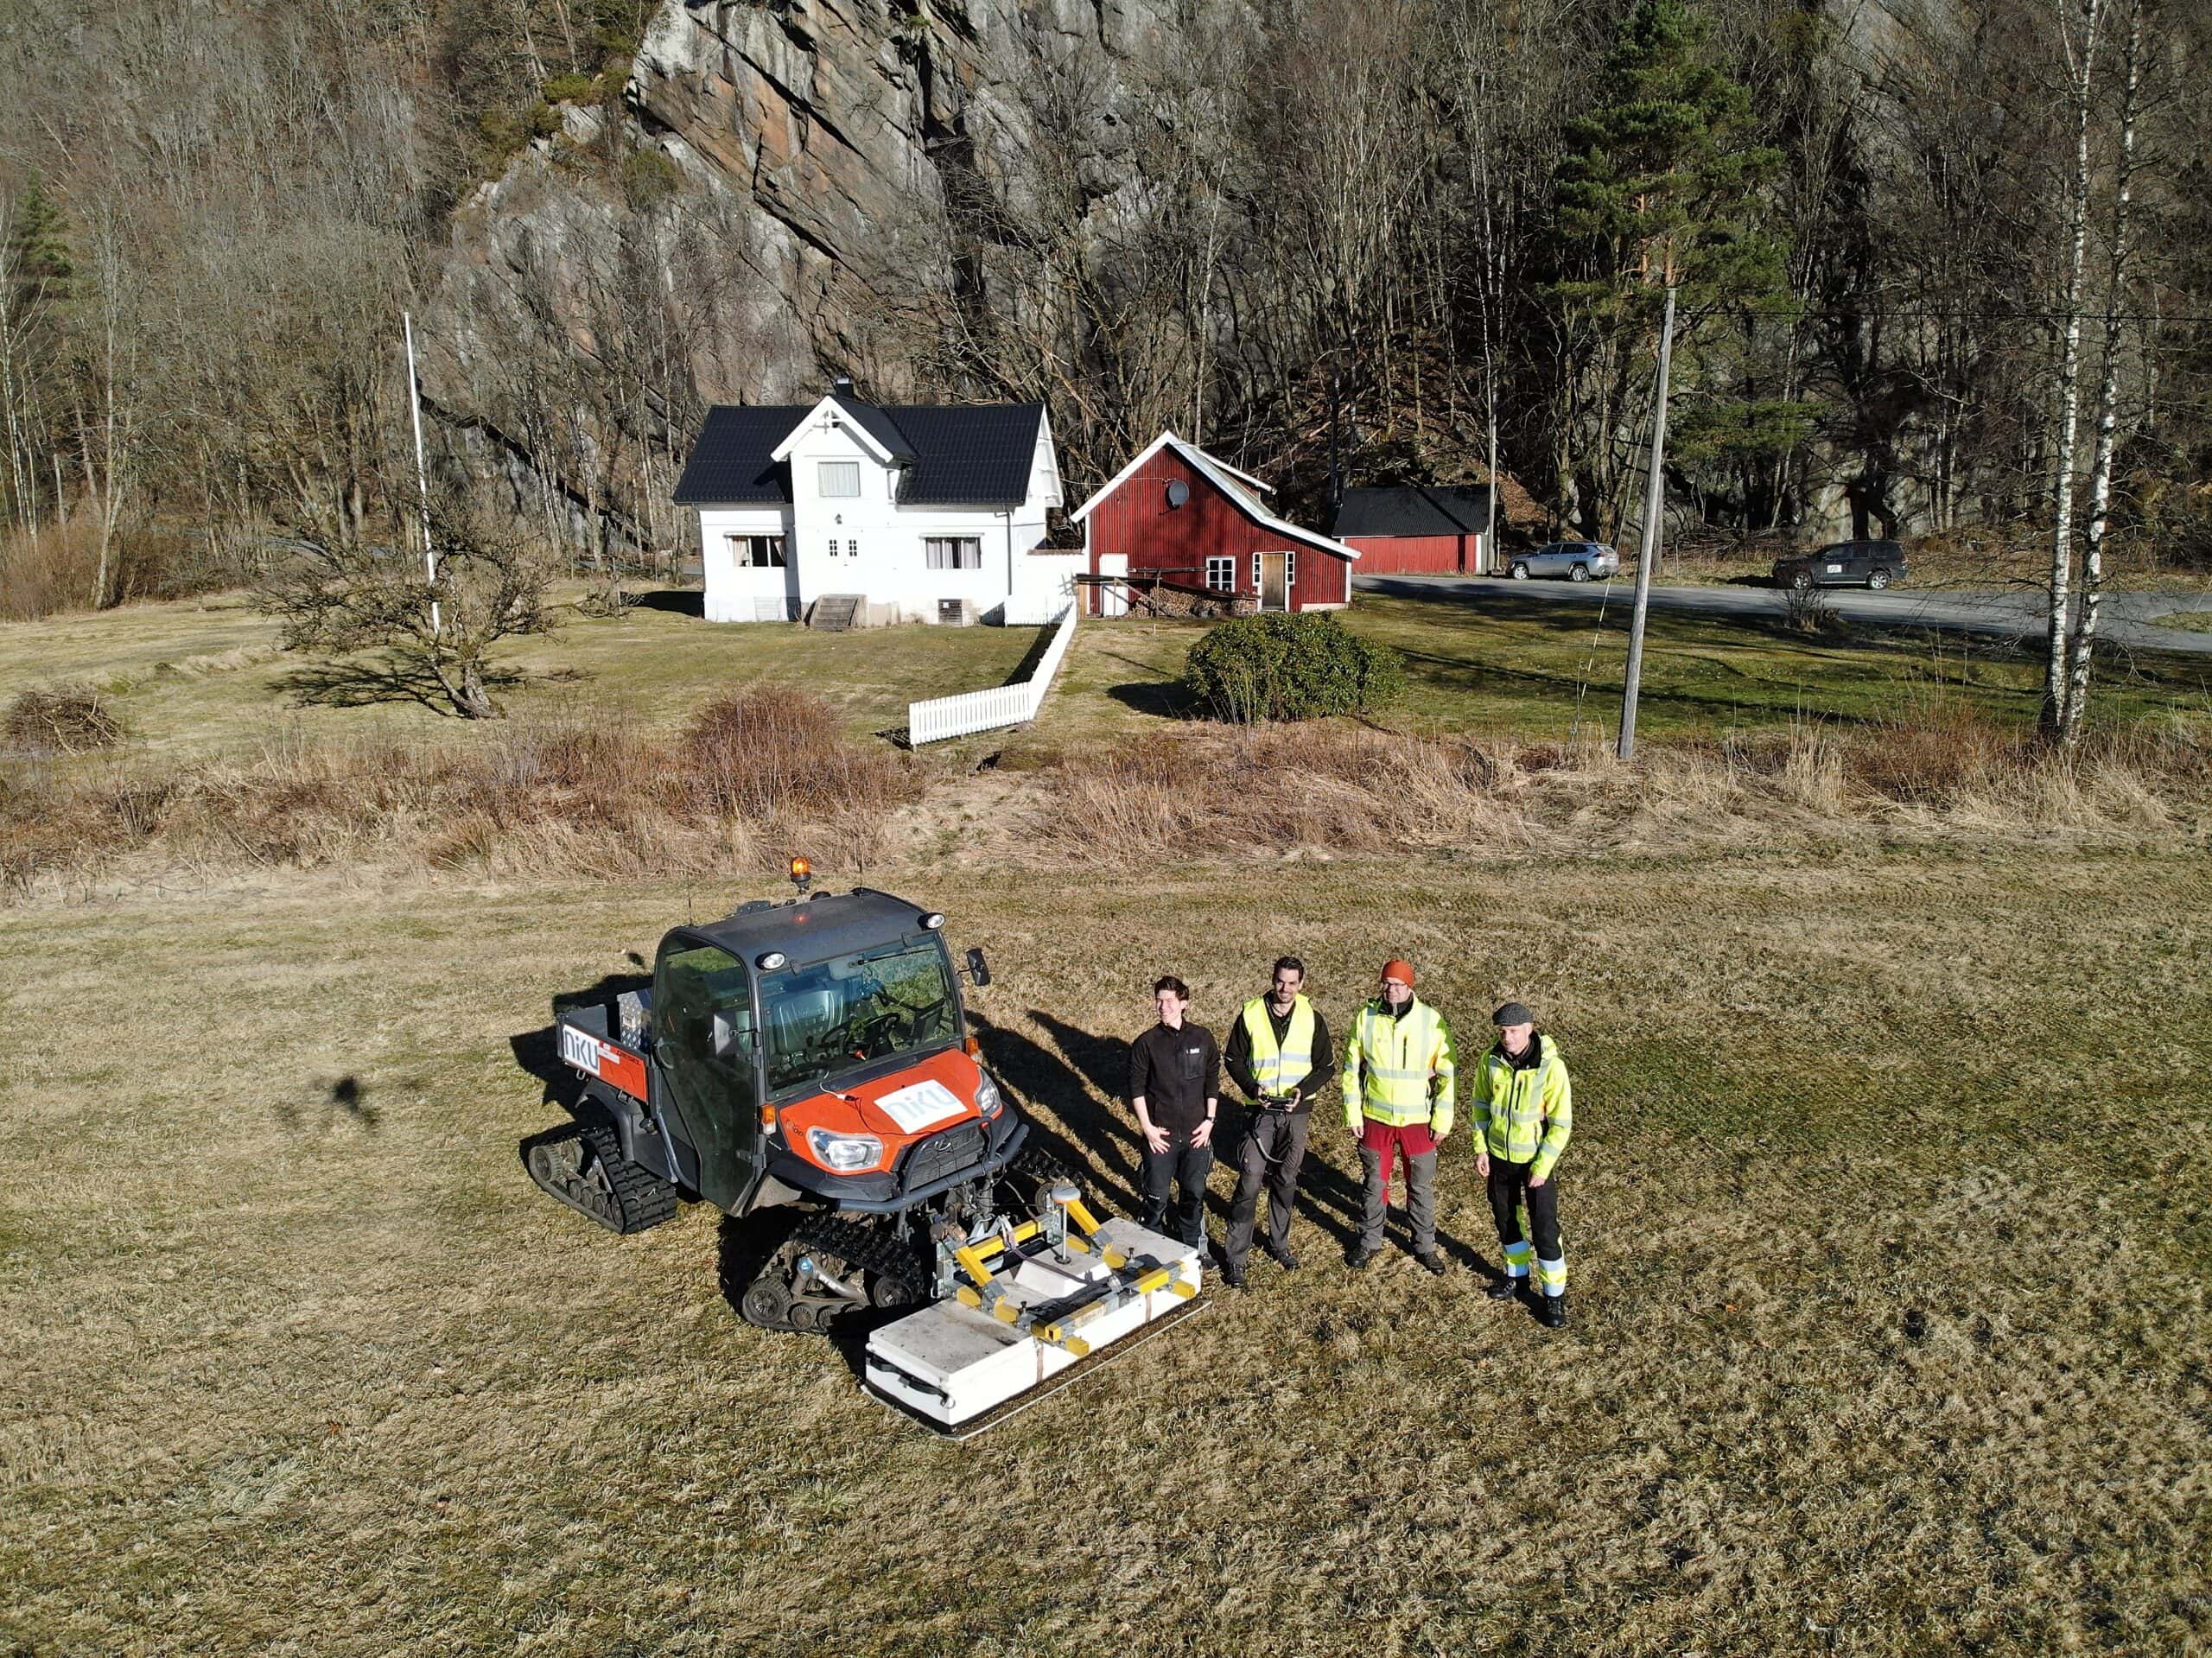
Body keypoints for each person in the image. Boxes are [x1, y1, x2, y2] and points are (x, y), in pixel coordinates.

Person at [1219, 956, 1333, 1289]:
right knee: (1250, 1179)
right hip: (1260, 1112)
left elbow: (1325, 1066)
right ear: (1273, 979)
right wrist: (1253, 1088)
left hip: (1297, 1113)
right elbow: (1233, 1059)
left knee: (1286, 1180)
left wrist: (1303, 1090)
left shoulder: (1313, 1018)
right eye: (1281, 981)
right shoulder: (1251, 1014)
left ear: (1302, 984)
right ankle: (1236, 1258)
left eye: (1292, 983)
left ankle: (1279, 1245)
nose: (1285, 989)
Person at [1339, 959, 1455, 1274]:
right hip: (1375, 1119)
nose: (1392, 990)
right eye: (1387, 984)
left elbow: (1447, 1073)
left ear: (1410, 987)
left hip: (1418, 1123)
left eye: (1399, 985)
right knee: (1374, 1184)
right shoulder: (1366, 1018)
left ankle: (1425, 1246)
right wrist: (1354, 1114)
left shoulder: (1431, 1021)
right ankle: (1369, 1241)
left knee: (1420, 1186)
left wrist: (1442, 1121)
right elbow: (1350, 1070)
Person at [1471, 1001, 1574, 1329]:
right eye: (1503, 1032)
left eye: (1514, 1031)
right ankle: (1516, 1277)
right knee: (1507, 1222)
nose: (1508, 1038)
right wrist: (1481, 1149)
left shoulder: (1551, 1068)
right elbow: (1480, 1107)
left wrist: (1542, 1167)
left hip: (1534, 1164)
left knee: (1545, 1229)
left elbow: (1561, 1124)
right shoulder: (1490, 1062)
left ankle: (1554, 1297)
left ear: (1529, 1029)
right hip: (1500, 1159)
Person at [1127, 975, 1220, 1251]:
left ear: (1184, 1003)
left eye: (1169, 1001)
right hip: (1161, 1137)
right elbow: (1136, 1089)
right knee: (1156, 1198)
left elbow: (1212, 1080)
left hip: (1196, 1136)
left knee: (1193, 1195)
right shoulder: (1147, 1043)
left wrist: (1209, 1121)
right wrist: (1148, 1128)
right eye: (1158, 1000)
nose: (1162, 1006)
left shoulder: (1202, 1038)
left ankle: (1193, 1251)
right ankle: (1153, 1250)